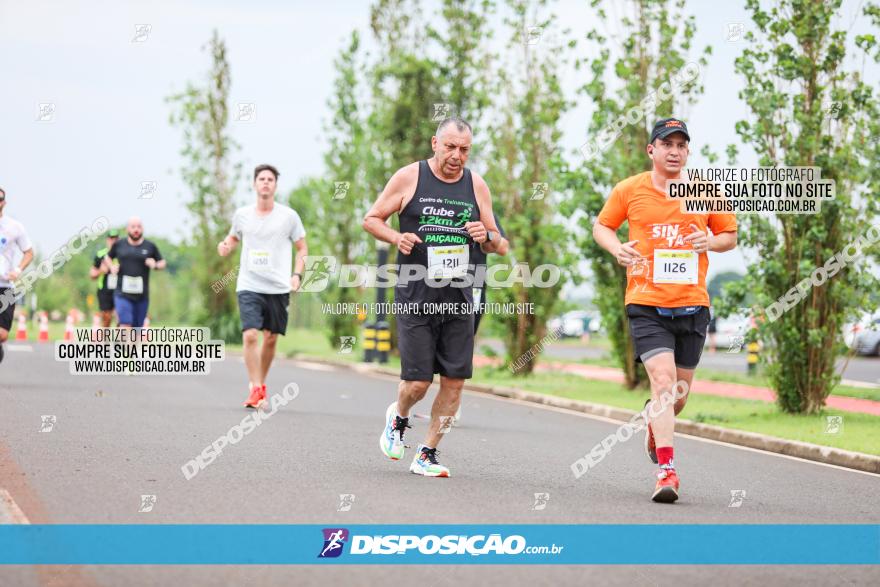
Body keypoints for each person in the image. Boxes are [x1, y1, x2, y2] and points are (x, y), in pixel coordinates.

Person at [592, 118, 737, 502]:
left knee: (679, 395)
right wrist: (615, 247)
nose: (674, 151)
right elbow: (602, 226)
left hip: (693, 305)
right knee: (663, 382)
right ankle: (667, 472)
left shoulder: (705, 190)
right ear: (651, 150)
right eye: (666, 143)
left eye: (681, 145)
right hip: (646, 302)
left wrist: (709, 241)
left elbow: (730, 235)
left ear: (687, 151)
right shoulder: (630, 189)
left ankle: (655, 425)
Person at [363, 117, 506, 477]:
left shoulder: (477, 185)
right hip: (416, 293)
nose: (457, 156)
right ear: (435, 144)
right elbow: (372, 218)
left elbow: (499, 244)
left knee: (455, 382)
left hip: (460, 296)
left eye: (465, 149)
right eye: (451, 147)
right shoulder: (409, 177)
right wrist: (397, 238)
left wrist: (484, 232)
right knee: (418, 382)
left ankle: (427, 453)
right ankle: (399, 416)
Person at [218, 164, 307, 409]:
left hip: (278, 287)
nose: (265, 182)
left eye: (270, 179)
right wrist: (225, 246)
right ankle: (256, 387)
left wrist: (297, 275)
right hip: (249, 284)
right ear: (254, 184)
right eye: (261, 179)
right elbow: (233, 238)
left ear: (275, 186)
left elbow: (302, 248)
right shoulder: (242, 215)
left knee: (270, 338)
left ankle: (260, 384)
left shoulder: (288, 216)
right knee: (249, 335)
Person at [107, 217, 165, 329]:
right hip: (122, 293)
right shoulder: (119, 244)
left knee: (137, 328)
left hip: (142, 295)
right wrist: (112, 267)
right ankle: (127, 346)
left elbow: (162, 262)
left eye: (139, 227)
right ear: (127, 229)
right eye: (133, 227)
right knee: (125, 323)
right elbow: (107, 257)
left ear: (142, 228)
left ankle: (131, 346)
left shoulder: (150, 246)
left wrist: (155, 265)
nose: (136, 229)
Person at [0, 186, 34, 365]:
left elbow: (29, 252)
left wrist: (19, 270)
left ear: (3, 203)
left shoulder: (14, 227)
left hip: (5, 286)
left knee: (3, 335)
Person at [90, 230, 120, 327]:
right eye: (111, 238)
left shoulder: (123, 254)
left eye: (116, 238)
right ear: (108, 240)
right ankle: (106, 340)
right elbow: (92, 274)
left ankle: (119, 341)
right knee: (107, 318)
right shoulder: (101, 255)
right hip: (104, 290)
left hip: (120, 290)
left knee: (120, 316)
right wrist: (101, 271)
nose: (114, 241)